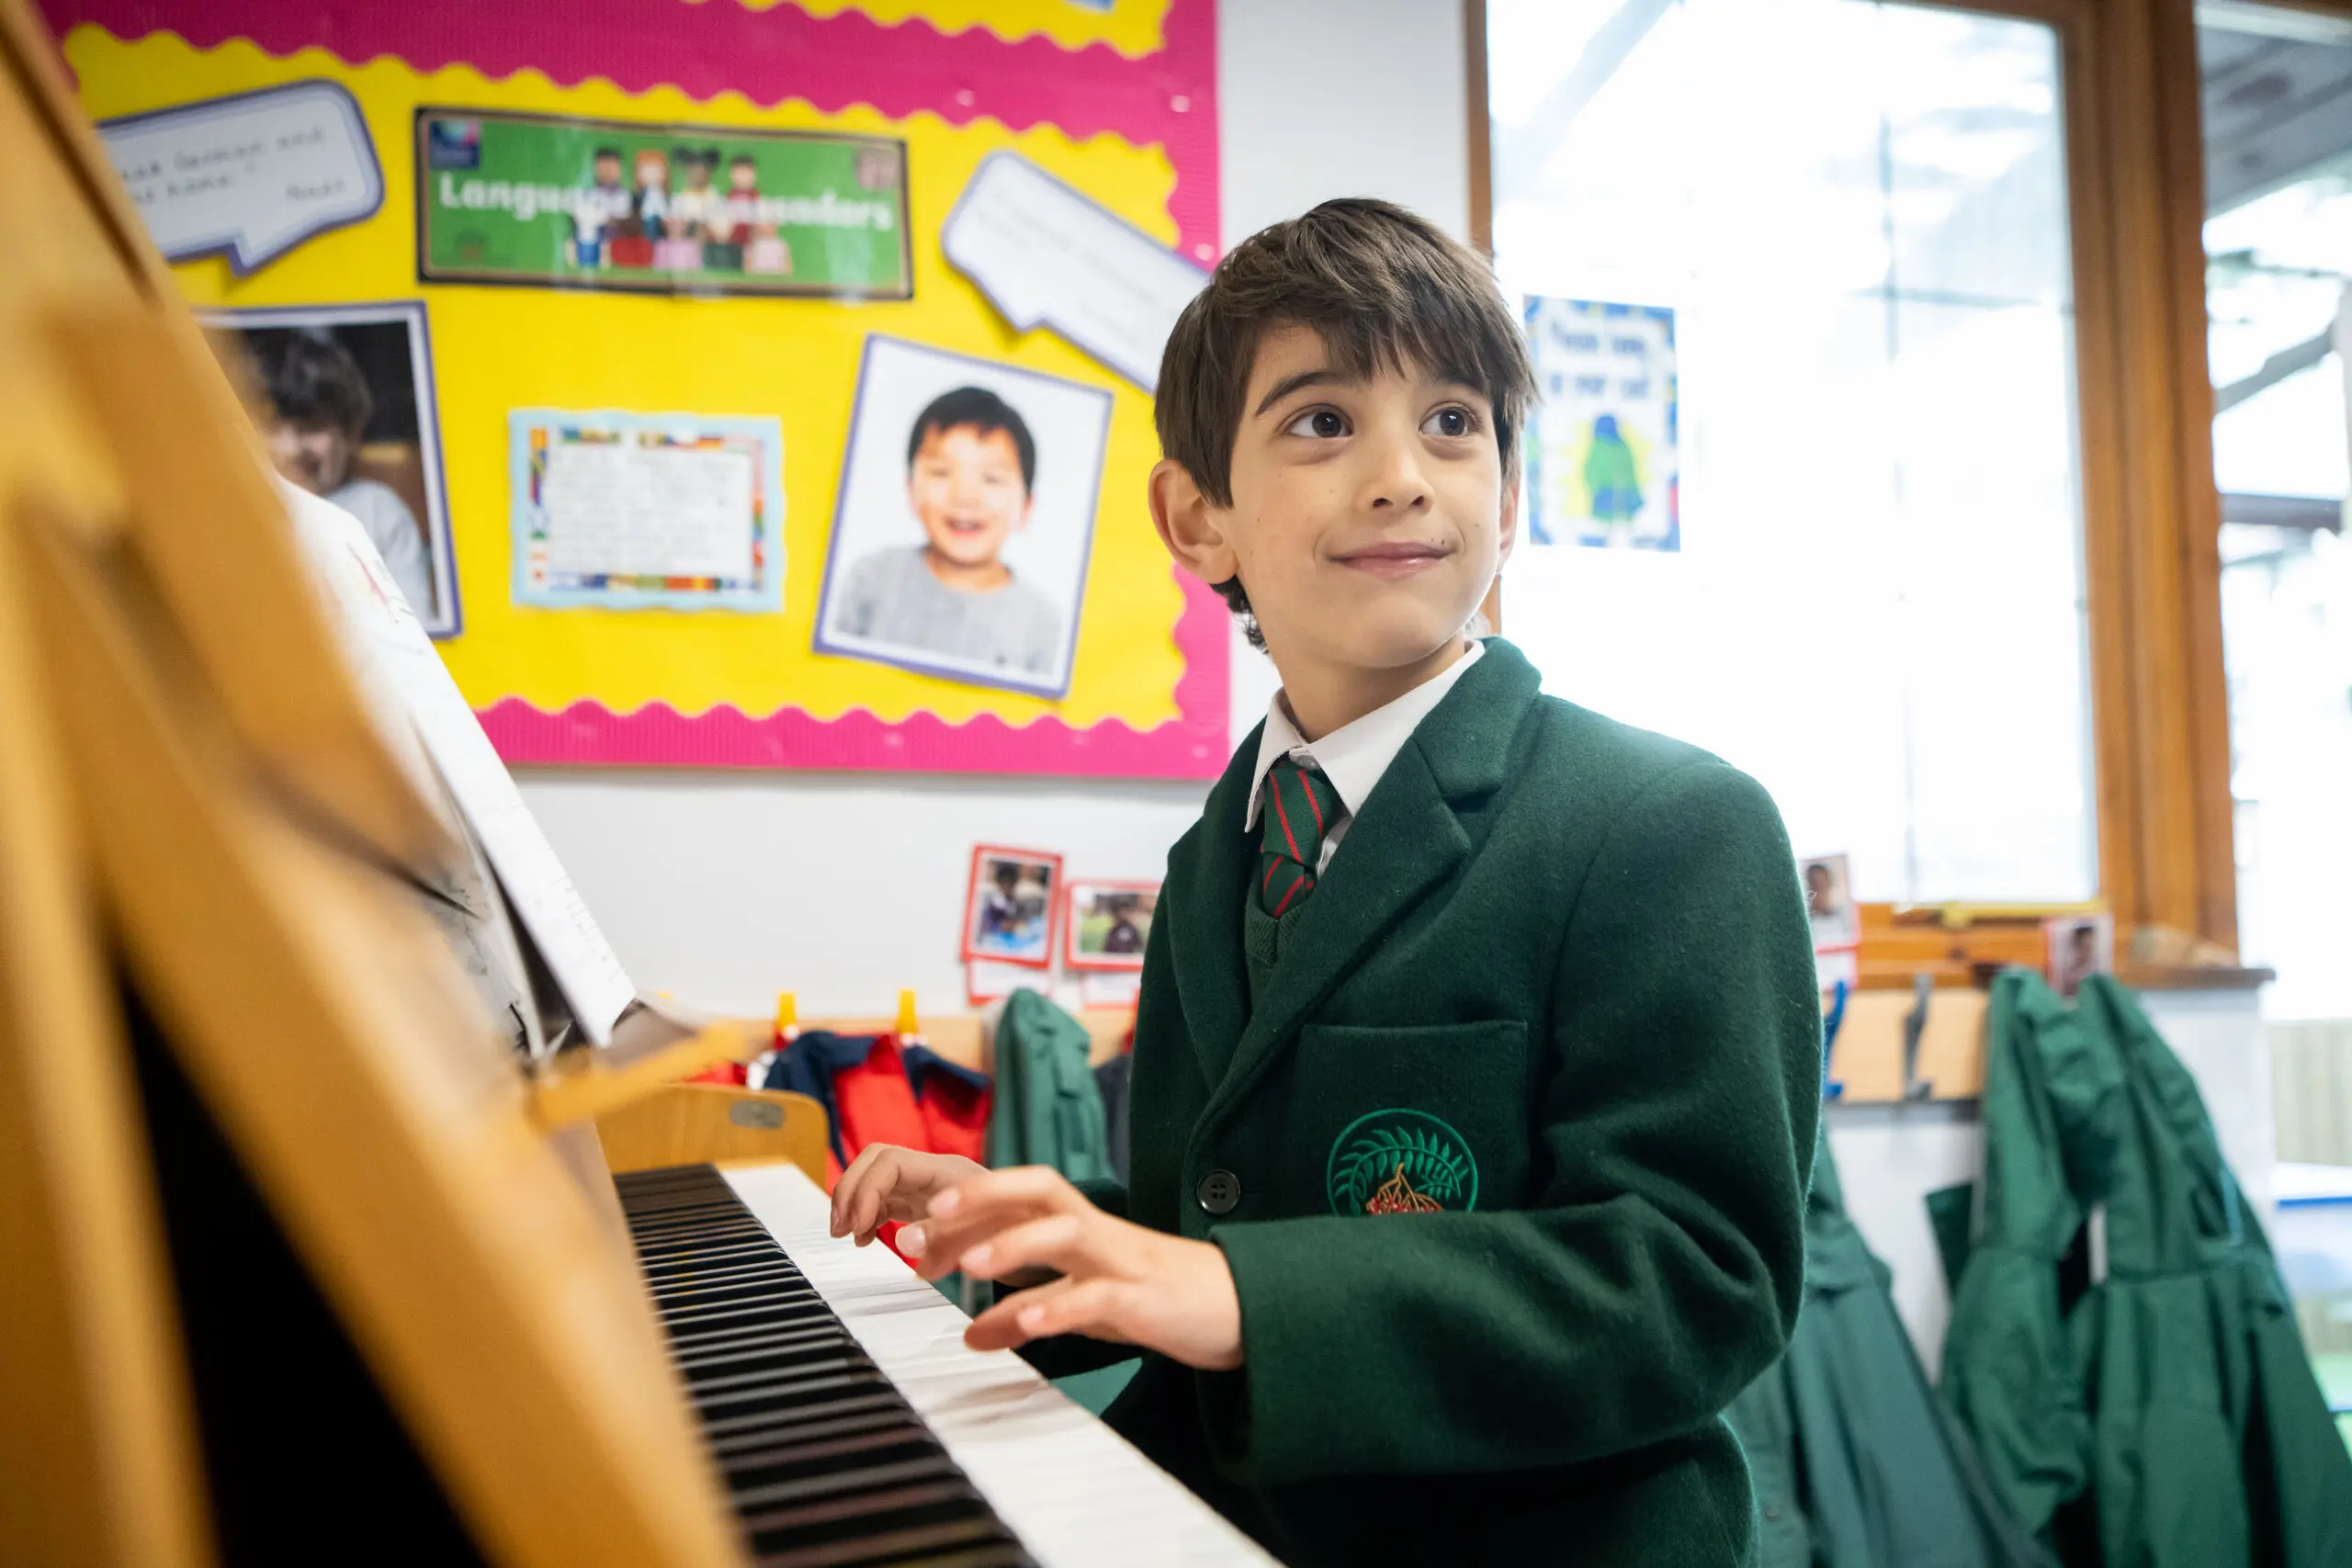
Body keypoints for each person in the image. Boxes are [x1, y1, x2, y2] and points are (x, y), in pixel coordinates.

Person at [829, 199, 1819, 1567]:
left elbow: (1697, 1279)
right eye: (1322, 420)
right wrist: (1042, 1224)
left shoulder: (1672, 823)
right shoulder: (1216, 851)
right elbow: (1224, 1206)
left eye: (1452, 421)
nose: (1401, 474)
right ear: (1199, 517)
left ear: (1509, 500)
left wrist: (1237, 1293)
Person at [827, 386, 1061, 680]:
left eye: (992, 479)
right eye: (941, 472)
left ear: (1026, 507)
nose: (964, 496)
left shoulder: (1041, 623)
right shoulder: (871, 580)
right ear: (911, 490)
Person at [251, 332, 435, 617]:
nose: (291, 448)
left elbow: (415, 622)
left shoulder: (377, 513)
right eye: (271, 428)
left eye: (312, 427)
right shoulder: (236, 511)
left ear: (352, 433)